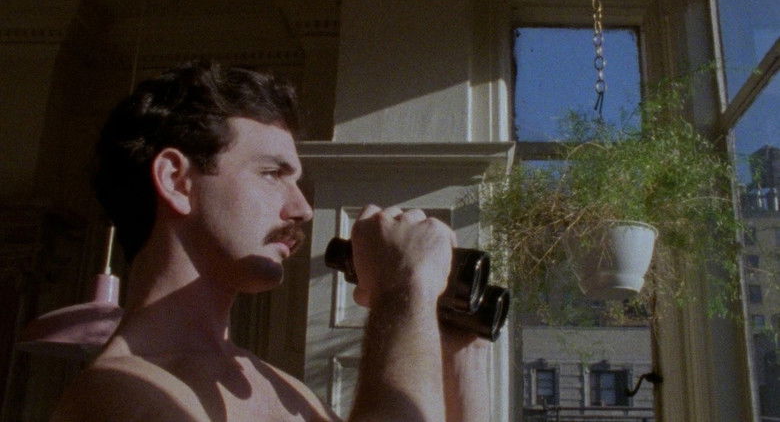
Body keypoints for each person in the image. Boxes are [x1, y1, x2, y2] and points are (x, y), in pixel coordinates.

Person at [51, 61, 490, 422]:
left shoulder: (282, 388)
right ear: (177, 181)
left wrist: (456, 350)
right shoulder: (118, 392)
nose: (301, 209)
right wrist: (402, 290)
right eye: (271, 174)